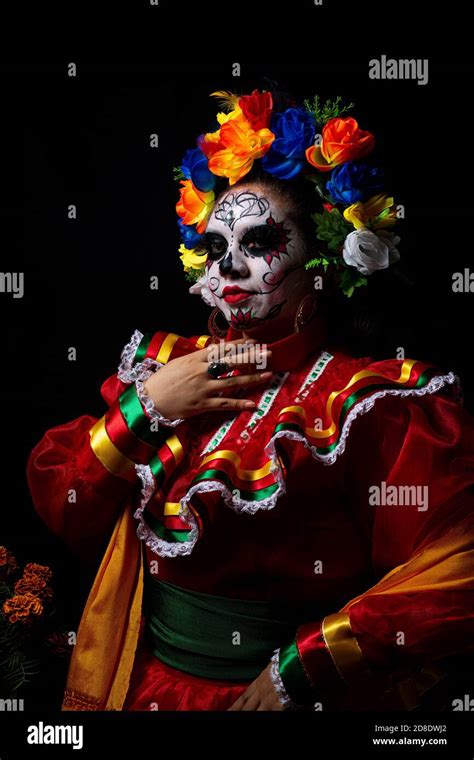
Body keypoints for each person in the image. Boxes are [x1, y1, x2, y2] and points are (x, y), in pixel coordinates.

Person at [27, 88, 474, 712]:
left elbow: (456, 569)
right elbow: (69, 513)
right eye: (215, 248)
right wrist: (146, 407)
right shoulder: (160, 368)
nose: (230, 267)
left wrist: (307, 664)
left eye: (259, 242)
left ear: (322, 258)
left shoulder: (373, 403)